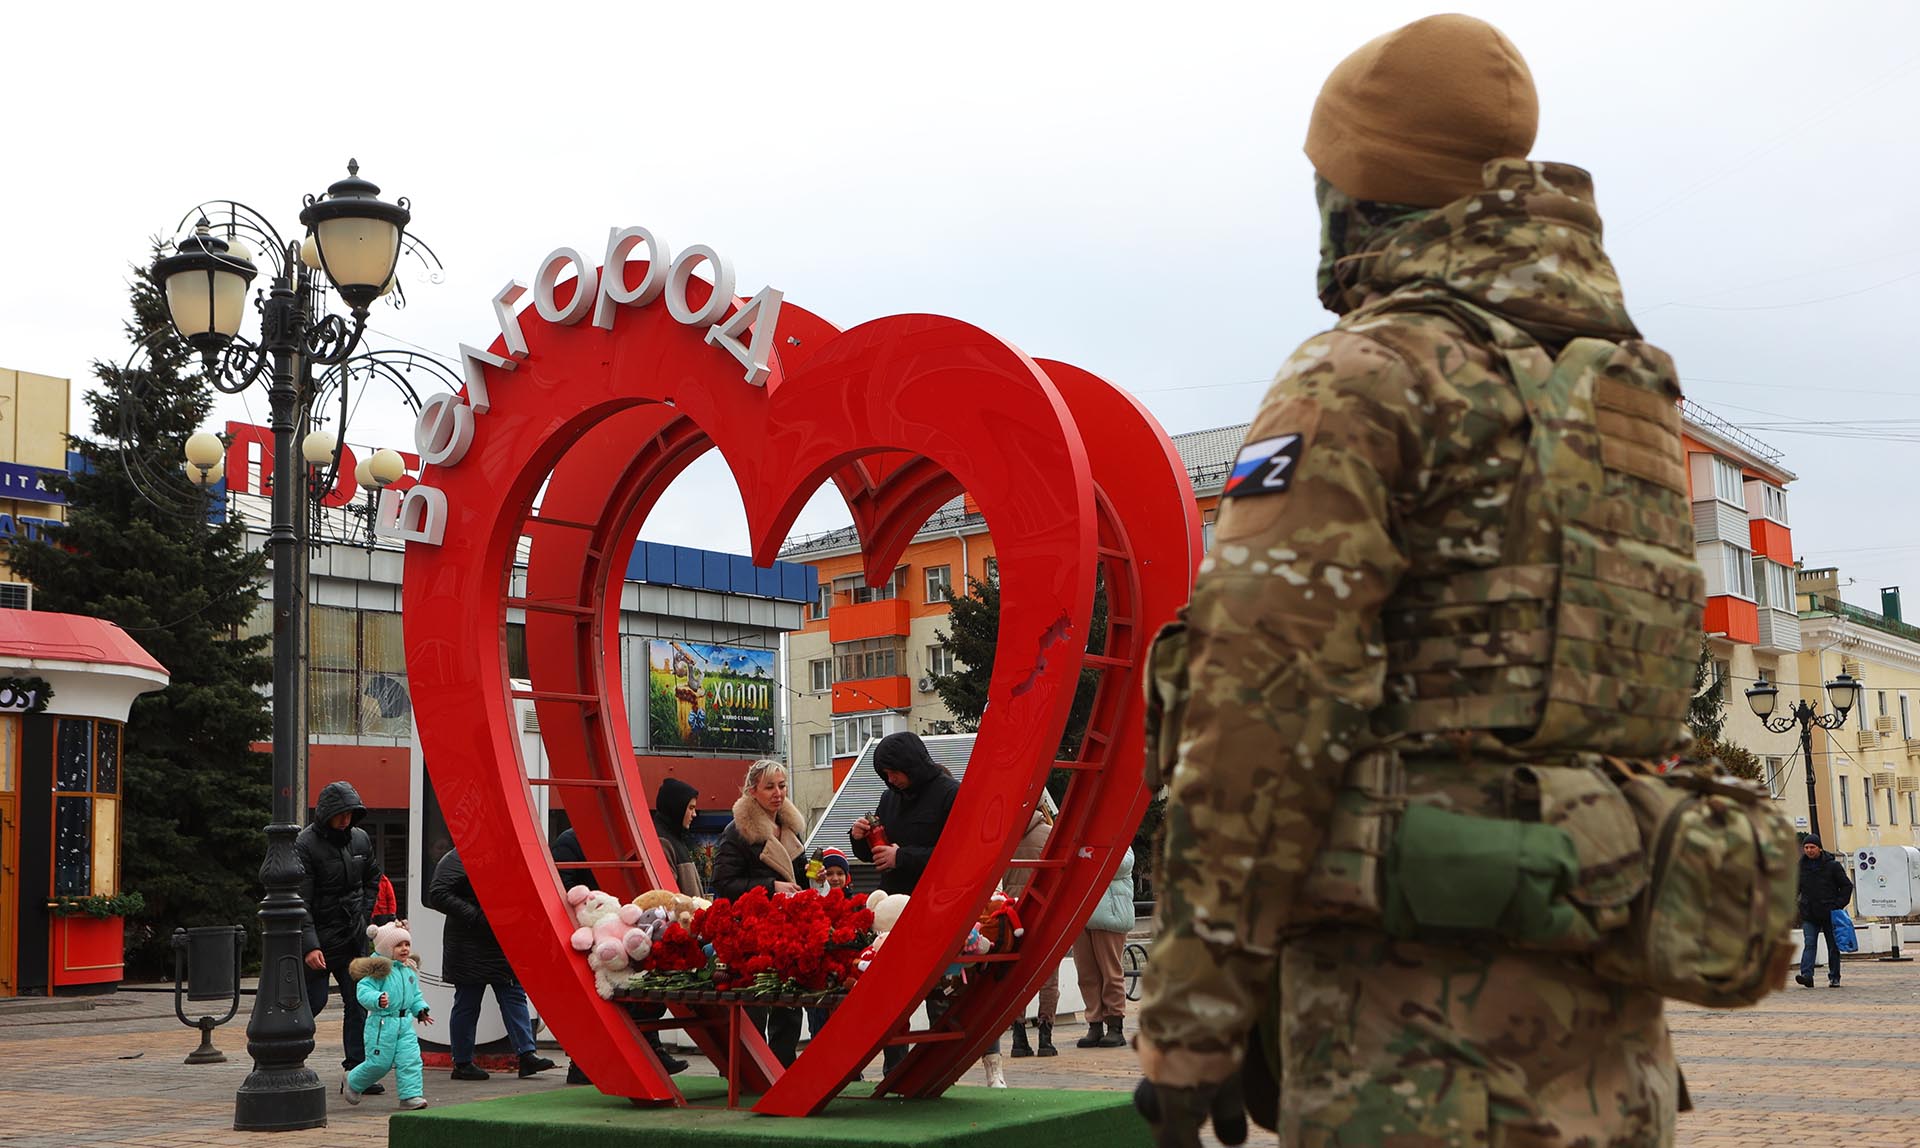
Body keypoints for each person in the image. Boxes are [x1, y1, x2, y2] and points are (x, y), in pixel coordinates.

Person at [1135, 14, 1715, 1147]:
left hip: (1412, 1051)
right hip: (1613, 1048)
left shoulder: (1367, 374)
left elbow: (1260, 716)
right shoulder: (1625, 388)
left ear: (1362, 194)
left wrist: (1191, 1027)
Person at [850, 731, 961, 1075]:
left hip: (934, 905)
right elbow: (878, 854)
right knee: (890, 995)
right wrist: (859, 841)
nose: (889, 779)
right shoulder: (889, 798)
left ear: (911, 764)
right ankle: (894, 1069)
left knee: (939, 990)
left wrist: (904, 857)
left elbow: (957, 853)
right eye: (884, 774)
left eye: (893, 771)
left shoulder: (949, 794)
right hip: (891, 912)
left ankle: (939, 1068)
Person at [424, 847, 556, 1081]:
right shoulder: (458, 857)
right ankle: (463, 1062)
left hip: (497, 936)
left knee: (512, 994)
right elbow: (438, 894)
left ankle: (526, 1055)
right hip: (470, 941)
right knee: (469, 1001)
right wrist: (476, 916)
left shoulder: (496, 855)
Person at [712, 757, 806, 1065]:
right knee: (754, 1003)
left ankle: (783, 1067)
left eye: (781, 786)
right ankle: (751, 1070)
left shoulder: (791, 827)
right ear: (752, 791)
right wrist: (771, 886)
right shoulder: (737, 832)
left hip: (788, 929)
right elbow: (723, 884)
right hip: (750, 933)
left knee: (789, 1003)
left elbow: (799, 879)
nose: (778, 793)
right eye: (769, 787)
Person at [298, 780, 385, 1089]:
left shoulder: (360, 839)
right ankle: (289, 1060)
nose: (346, 819)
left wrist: (363, 915)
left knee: (359, 1004)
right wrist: (310, 945)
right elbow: (302, 901)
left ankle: (357, 1072)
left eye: (350, 813)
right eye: (340, 814)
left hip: (353, 936)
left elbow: (373, 877)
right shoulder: (305, 844)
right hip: (320, 939)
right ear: (326, 814)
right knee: (312, 1002)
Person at [343, 921, 433, 1110]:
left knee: (411, 1059)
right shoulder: (378, 971)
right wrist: (377, 999)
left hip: (404, 1024)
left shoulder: (408, 969)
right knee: (379, 1064)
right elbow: (363, 990)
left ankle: (411, 1096)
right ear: (385, 948)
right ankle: (353, 1080)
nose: (404, 949)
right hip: (382, 1025)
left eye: (407, 944)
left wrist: (421, 1010)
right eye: (398, 945)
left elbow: (415, 994)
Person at [1006, 807, 1062, 1059]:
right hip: (1043, 911)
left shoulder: (1007, 835)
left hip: (1012, 912)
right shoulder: (1050, 834)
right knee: (1047, 976)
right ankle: (1045, 1037)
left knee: (1017, 975)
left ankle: (1018, 1037)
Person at [1072, 846, 1134, 1049]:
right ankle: (1095, 1022)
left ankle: (1115, 1024)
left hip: (1110, 915)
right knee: (1086, 973)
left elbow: (1121, 865)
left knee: (1110, 972)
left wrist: (1091, 855)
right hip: (1082, 914)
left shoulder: (1121, 840)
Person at [1797, 836, 1854, 988]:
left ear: (1819, 848)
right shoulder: (1801, 866)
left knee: (1833, 946)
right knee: (1809, 944)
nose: (1809, 850)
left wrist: (1838, 905)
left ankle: (1834, 977)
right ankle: (1806, 975)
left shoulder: (1832, 866)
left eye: (1812, 847)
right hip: (1809, 913)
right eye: (1806, 847)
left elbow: (1847, 886)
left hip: (1830, 913)